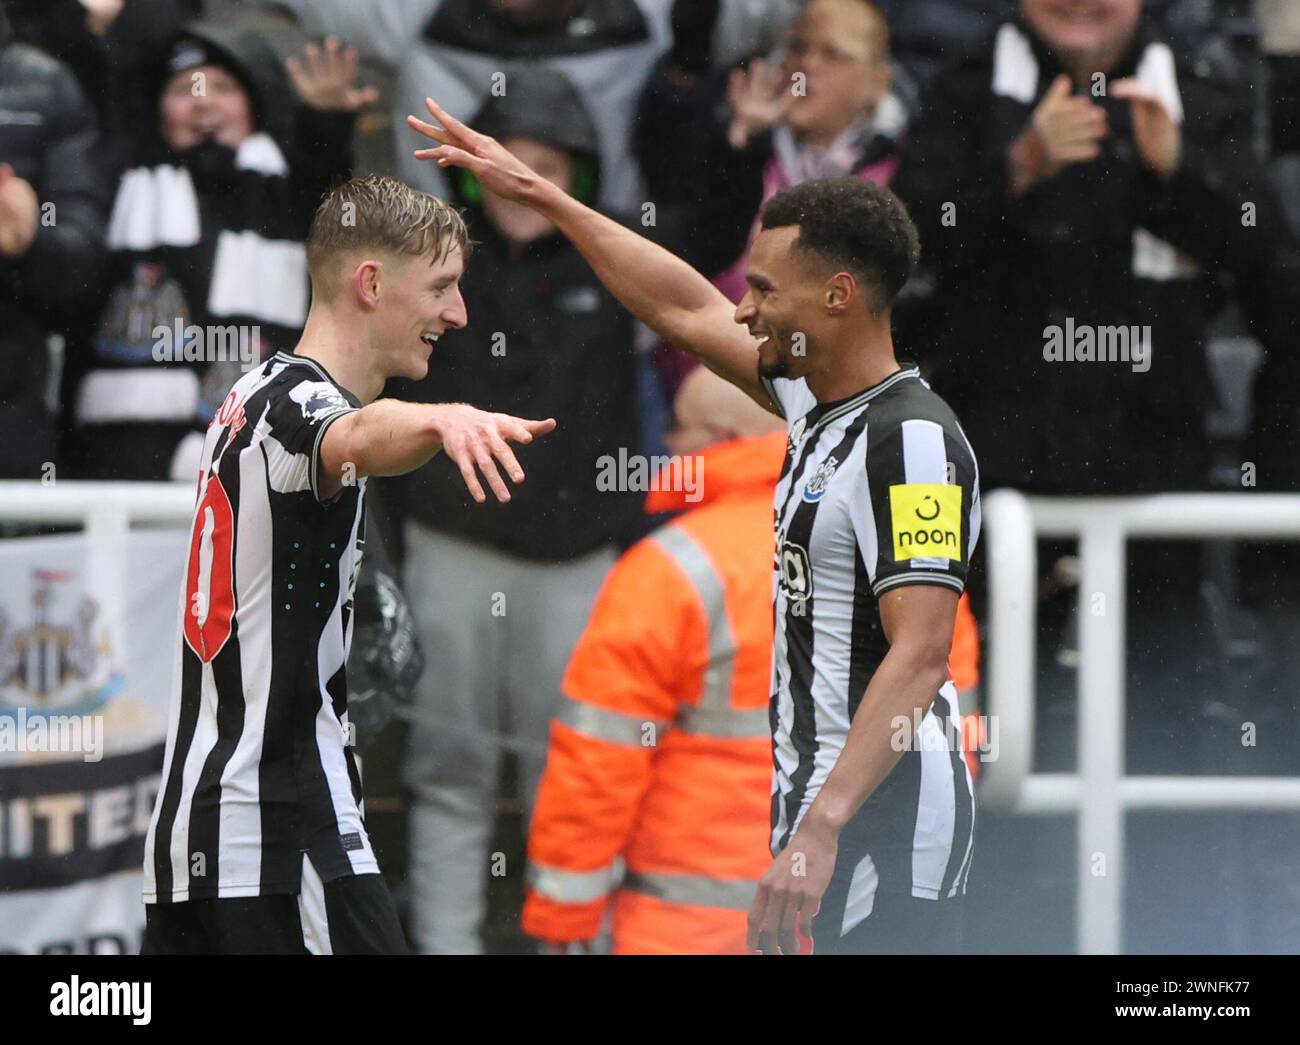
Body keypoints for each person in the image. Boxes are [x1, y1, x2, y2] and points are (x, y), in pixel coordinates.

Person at [409, 102, 979, 954]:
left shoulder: (916, 443)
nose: (743, 311)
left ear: (838, 296)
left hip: (881, 844)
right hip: (824, 830)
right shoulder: (813, 402)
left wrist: (820, 828)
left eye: (762, 290)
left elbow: (922, 651)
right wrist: (547, 197)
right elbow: (678, 305)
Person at [140, 172, 555, 955]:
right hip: (279, 828)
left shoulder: (246, 393)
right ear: (370, 283)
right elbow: (354, 438)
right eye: (442, 287)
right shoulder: (299, 406)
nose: (458, 314)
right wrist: (445, 418)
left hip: (195, 837)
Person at [65, 24, 376, 482]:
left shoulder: (289, 194)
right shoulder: (119, 182)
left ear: (255, 106)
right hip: (122, 460)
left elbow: (330, 195)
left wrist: (324, 123)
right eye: (182, 88)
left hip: (256, 455)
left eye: (225, 88)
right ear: (157, 112)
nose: (203, 101)